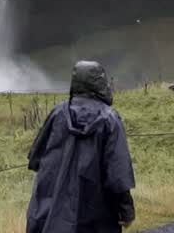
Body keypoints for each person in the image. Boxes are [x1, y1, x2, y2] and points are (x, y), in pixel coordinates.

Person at [26, 61, 136, 233]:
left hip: (53, 217)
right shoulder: (110, 120)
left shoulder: (57, 114)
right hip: (96, 217)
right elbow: (118, 175)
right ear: (99, 84)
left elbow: (35, 159)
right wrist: (126, 211)